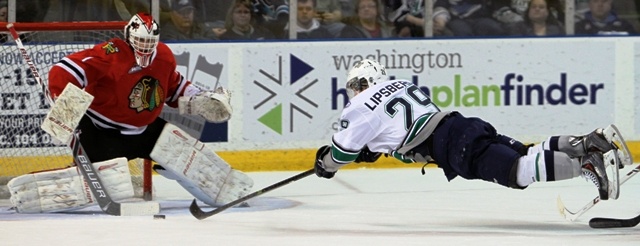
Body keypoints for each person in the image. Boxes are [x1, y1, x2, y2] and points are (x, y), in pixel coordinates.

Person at [6, 13, 253, 213]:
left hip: (146, 131)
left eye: (150, 43)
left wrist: (200, 98)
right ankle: (32, 196)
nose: (146, 48)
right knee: (114, 187)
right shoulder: (110, 54)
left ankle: (232, 191)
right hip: (102, 134)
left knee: (190, 156)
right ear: (129, 38)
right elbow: (64, 69)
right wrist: (61, 97)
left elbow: (174, 87)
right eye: (141, 42)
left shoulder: (164, 56)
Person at [313, 59, 627, 204]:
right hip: (460, 125)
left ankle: (585, 165)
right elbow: (397, 129)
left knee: (516, 171)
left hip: (448, 145)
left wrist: (325, 164)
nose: (353, 92)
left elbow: (341, 152)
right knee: (525, 152)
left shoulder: (360, 105)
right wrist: (376, 148)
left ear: (364, 82)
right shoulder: (400, 84)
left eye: (355, 86)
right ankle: (590, 141)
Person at [434, 0, 506, 36]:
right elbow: (441, 7)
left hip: (481, 18)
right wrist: (441, 20)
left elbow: (494, 6)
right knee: (461, 31)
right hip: (456, 20)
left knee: (491, 27)